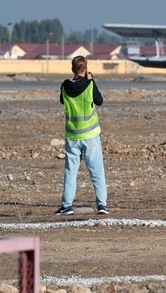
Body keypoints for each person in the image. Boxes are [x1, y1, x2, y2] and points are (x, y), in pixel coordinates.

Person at [55, 55, 108, 216]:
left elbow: (62, 101)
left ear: (72, 69)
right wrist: (90, 81)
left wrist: (84, 80)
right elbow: (99, 101)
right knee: (97, 171)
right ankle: (102, 205)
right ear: (85, 70)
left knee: (70, 171)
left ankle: (66, 205)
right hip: (90, 134)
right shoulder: (90, 85)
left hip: (72, 135)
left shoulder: (65, 86)